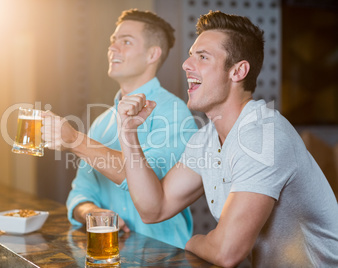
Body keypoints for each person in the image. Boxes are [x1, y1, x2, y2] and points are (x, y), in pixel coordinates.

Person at [117, 10, 338, 267]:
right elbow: (154, 208)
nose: (186, 65)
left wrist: (191, 243)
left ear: (238, 71)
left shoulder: (263, 135)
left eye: (202, 57)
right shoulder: (206, 139)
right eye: (190, 56)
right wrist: (127, 133)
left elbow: (227, 252)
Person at [42, 9, 197, 248]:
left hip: (167, 258)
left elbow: (147, 182)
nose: (113, 48)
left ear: (152, 55)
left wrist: (74, 139)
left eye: (126, 42)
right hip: (112, 255)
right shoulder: (102, 122)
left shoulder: (175, 113)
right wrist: (90, 212)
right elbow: (80, 193)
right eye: (113, 41)